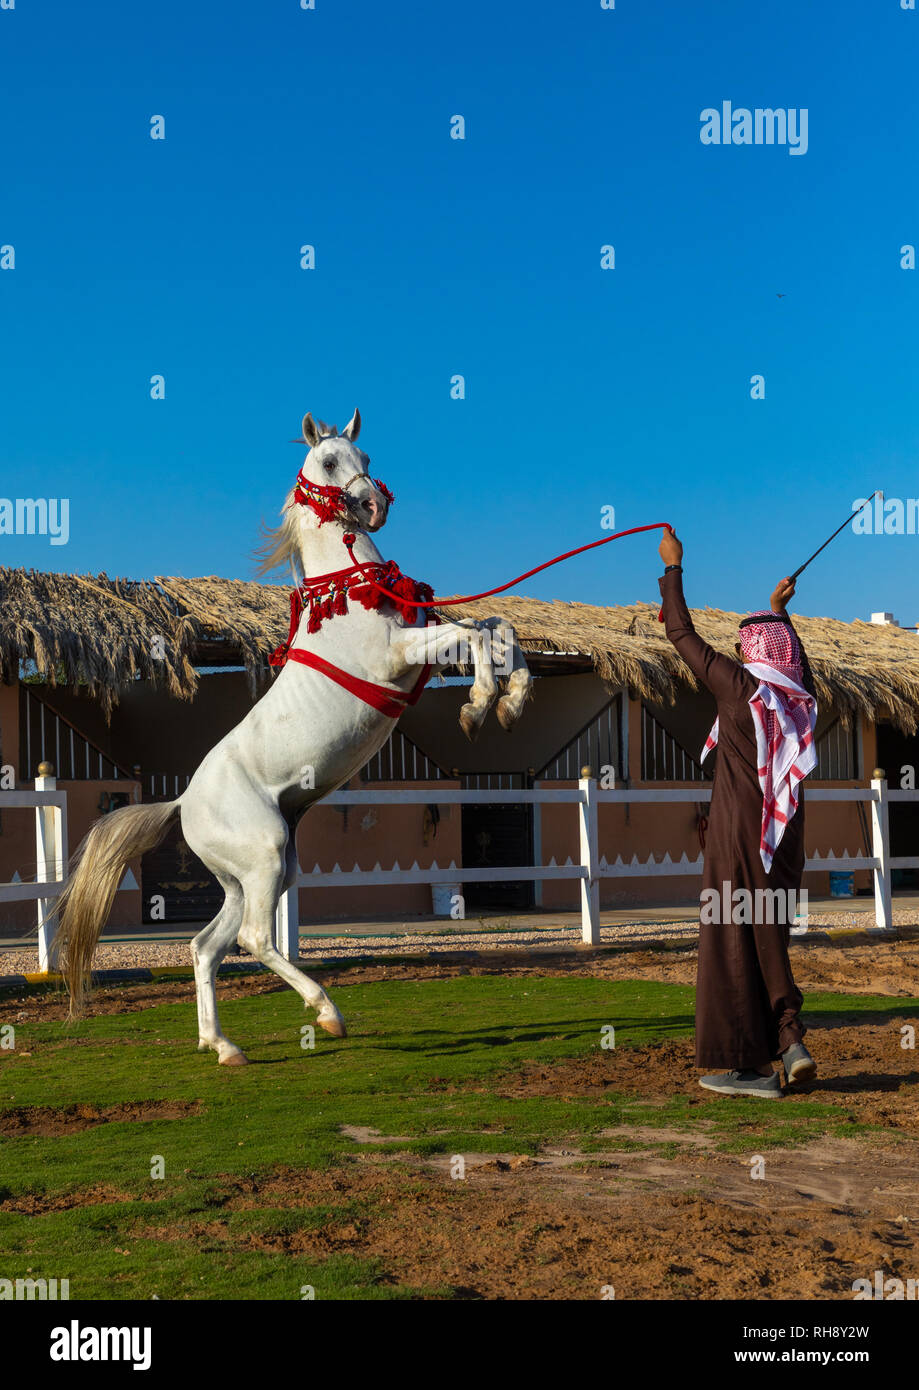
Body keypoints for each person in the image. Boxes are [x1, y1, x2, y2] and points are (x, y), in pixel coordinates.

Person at [658, 528, 819, 1098]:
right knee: (767, 936)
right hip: (784, 841)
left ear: (752, 653)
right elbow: (789, 660)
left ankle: (745, 1066)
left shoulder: (738, 687)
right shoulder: (799, 699)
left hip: (734, 840)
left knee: (731, 941)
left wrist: (674, 568)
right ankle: (789, 1040)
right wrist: (781, 614)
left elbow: (680, 633)